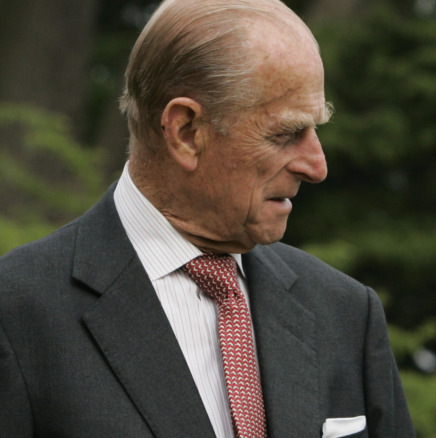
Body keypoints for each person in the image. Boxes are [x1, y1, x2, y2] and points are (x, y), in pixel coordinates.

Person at [0, 0, 414, 437]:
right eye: (287, 133)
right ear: (185, 132)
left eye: (316, 130)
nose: (317, 165)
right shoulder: (17, 316)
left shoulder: (346, 313)